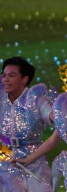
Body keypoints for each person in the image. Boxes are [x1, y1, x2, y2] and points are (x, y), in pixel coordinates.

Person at [0, 57, 54, 192]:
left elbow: (52, 117)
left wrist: (61, 113)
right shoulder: (1, 98)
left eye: (11, 76)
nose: (5, 79)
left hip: (35, 163)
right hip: (6, 165)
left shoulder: (36, 99)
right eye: (4, 76)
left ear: (24, 79)